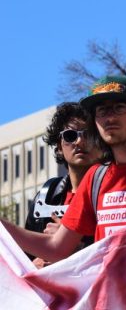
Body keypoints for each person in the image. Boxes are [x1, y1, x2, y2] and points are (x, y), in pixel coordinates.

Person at [1, 75, 126, 260]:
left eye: (119, 108)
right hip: (105, 297)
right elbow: (56, 248)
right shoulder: (95, 178)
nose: (109, 118)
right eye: (102, 111)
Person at [24, 102, 103, 266]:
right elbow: (23, 258)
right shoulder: (47, 195)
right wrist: (34, 266)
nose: (80, 141)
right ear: (59, 146)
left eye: (88, 134)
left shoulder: (115, 191)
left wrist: (71, 243)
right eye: (70, 136)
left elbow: (125, 249)